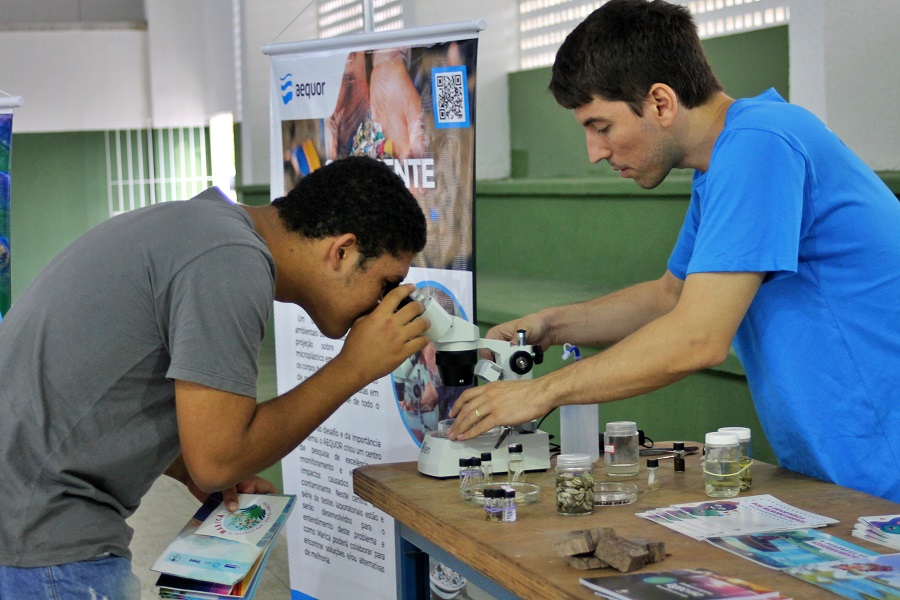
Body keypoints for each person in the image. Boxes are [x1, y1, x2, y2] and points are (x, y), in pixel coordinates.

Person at [448, 0, 900, 503]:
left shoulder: (761, 145)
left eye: (601, 127)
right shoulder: (727, 159)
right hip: (843, 471)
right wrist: (551, 325)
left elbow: (697, 338)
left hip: (882, 471)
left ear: (661, 102)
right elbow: (671, 296)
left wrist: (539, 391)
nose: (594, 152)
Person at [0, 156, 429, 596]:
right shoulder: (231, 261)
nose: (383, 306)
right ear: (342, 251)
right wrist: (354, 367)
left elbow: (101, 389)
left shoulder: (205, 229)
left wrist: (183, 467)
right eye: (384, 285)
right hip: (42, 542)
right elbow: (218, 461)